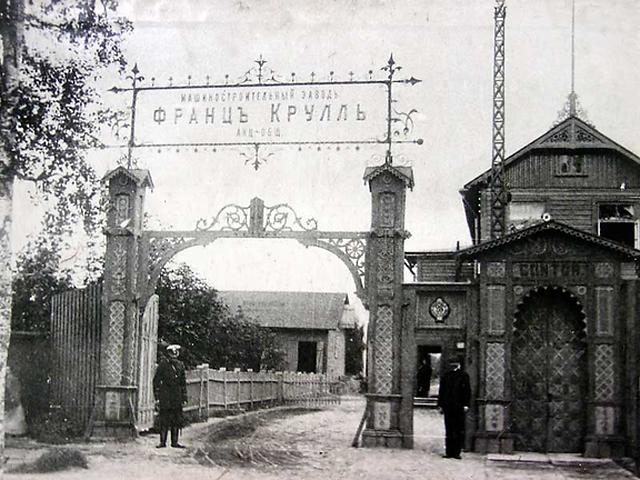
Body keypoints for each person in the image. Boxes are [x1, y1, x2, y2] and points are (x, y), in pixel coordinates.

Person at [153, 344, 188, 448]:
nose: (174, 356)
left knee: (176, 419)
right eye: (172, 354)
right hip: (165, 395)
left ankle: (174, 442)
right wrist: (157, 397)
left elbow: (183, 383)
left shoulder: (180, 365)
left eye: (175, 354)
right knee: (164, 419)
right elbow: (156, 381)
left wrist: (184, 397)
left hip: (176, 395)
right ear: (168, 354)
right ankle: (162, 442)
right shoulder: (163, 365)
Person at [437, 358, 471, 459]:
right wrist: (440, 405)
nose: (453, 365)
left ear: (459, 364)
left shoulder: (464, 375)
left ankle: (456, 452)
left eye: (455, 363)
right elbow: (441, 391)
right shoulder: (446, 376)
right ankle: (449, 452)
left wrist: (466, 404)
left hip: (459, 406)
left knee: (458, 429)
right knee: (449, 429)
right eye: (452, 363)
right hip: (448, 406)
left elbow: (467, 391)